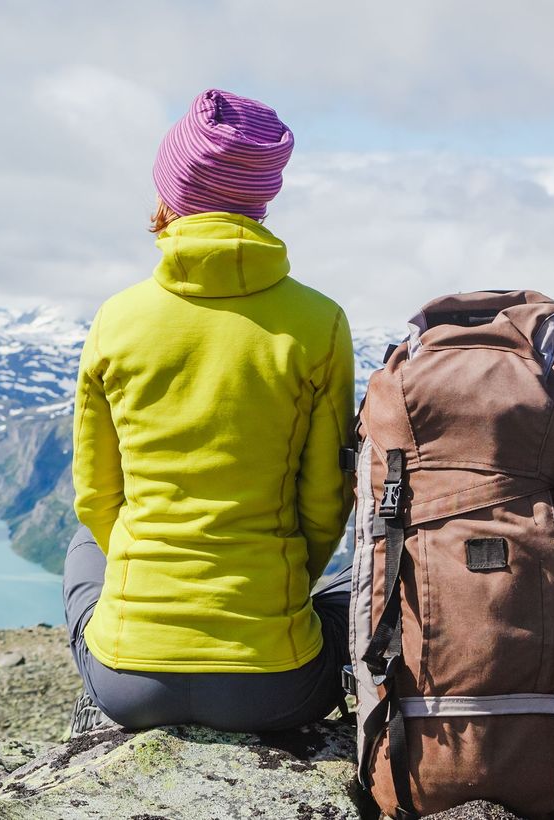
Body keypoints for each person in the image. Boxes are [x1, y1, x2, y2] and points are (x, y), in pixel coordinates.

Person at [63, 88, 355, 733]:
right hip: (275, 684)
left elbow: (96, 496)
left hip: (127, 680)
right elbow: (326, 503)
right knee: (357, 579)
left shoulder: (117, 318)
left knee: (86, 539)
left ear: (170, 193)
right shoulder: (319, 323)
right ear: (261, 199)